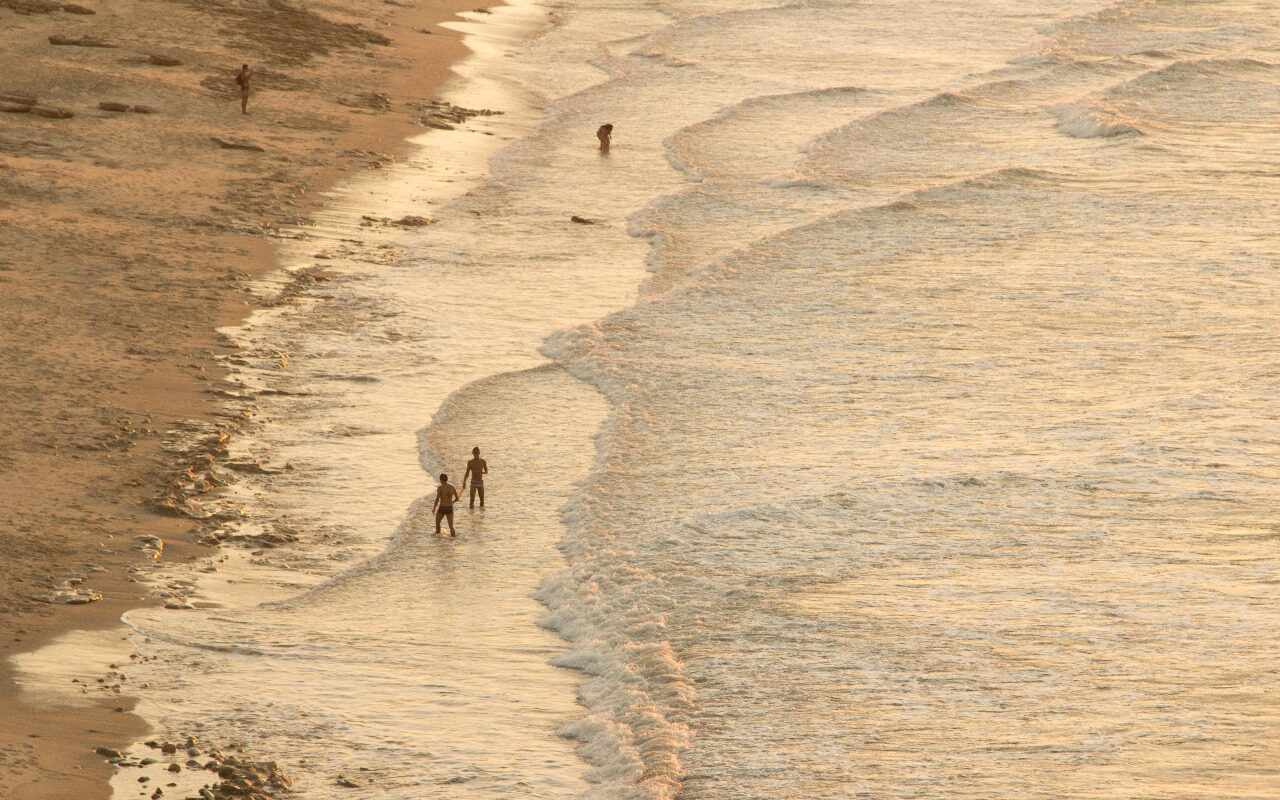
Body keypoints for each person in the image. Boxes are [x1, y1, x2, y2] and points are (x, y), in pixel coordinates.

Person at [432, 473, 460, 537]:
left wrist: (434, 508)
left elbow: (437, 499)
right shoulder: (452, 487)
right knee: (451, 526)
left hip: (442, 507)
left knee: (437, 522)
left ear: (441, 480)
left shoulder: (440, 488)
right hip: (449, 508)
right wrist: (452, 502)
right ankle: (453, 538)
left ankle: (438, 536)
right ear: (447, 479)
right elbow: (457, 498)